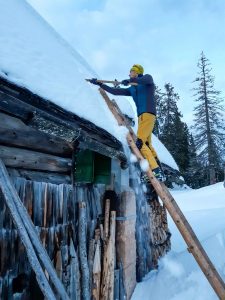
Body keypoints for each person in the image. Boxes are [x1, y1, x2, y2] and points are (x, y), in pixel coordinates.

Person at [89, 64, 165, 181]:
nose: (129, 74)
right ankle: (159, 170)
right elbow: (115, 91)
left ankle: (155, 171)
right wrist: (100, 84)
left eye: (131, 72)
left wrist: (129, 80)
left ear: (136, 72)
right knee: (147, 144)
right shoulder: (132, 89)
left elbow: (144, 80)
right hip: (142, 117)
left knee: (140, 143)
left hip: (147, 113)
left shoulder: (147, 80)